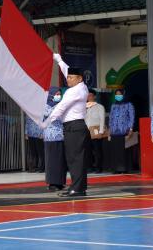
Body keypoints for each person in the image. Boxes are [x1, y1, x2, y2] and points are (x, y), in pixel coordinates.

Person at [41, 53, 90, 197]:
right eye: (67, 77)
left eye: (71, 78)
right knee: (73, 159)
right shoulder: (80, 86)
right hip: (72, 128)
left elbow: (61, 107)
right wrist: (59, 60)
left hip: (75, 127)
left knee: (76, 160)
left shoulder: (74, 91)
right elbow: (67, 70)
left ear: (79, 79)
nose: (67, 79)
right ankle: (77, 187)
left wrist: (46, 122)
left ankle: (78, 189)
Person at [43, 87, 67, 191]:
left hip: (60, 136)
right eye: (56, 94)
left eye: (59, 94)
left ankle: (60, 182)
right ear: (51, 95)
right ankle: (52, 183)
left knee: (60, 161)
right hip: (50, 137)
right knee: (51, 161)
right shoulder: (45, 106)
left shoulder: (61, 105)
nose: (58, 96)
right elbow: (50, 116)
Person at [108, 89, 135, 174]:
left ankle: (123, 168)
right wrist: (109, 130)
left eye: (120, 94)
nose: (118, 96)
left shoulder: (129, 105)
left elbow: (131, 117)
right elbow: (111, 118)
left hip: (124, 130)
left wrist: (131, 128)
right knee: (115, 150)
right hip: (114, 131)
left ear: (123, 95)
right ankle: (116, 168)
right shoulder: (113, 105)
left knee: (123, 151)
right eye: (117, 94)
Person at [85, 88, 106, 173]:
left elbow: (102, 119)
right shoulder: (84, 107)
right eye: (87, 95)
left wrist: (101, 131)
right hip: (87, 131)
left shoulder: (99, 107)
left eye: (90, 95)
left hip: (96, 130)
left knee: (97, 150)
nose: (89, 97)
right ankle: (89, 167)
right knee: (88, 150)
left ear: (94, 96)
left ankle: (98, 167)